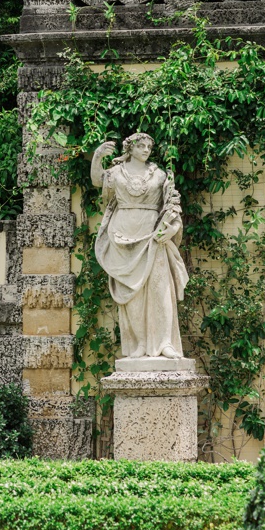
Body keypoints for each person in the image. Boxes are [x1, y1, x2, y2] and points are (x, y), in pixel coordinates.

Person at [91, 130, 189, 361]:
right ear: (130, 148)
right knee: (131, 293)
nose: (146, 150)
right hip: (122, 236)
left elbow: (172, 204)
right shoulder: (116, 172)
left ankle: (164, 342)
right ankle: (141, 342)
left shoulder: (159, 175)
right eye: (141, 146)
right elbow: (98, 180)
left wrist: (173, 228)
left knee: (160, 289)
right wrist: (97, 157)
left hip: (153, 235)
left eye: (149, 147)